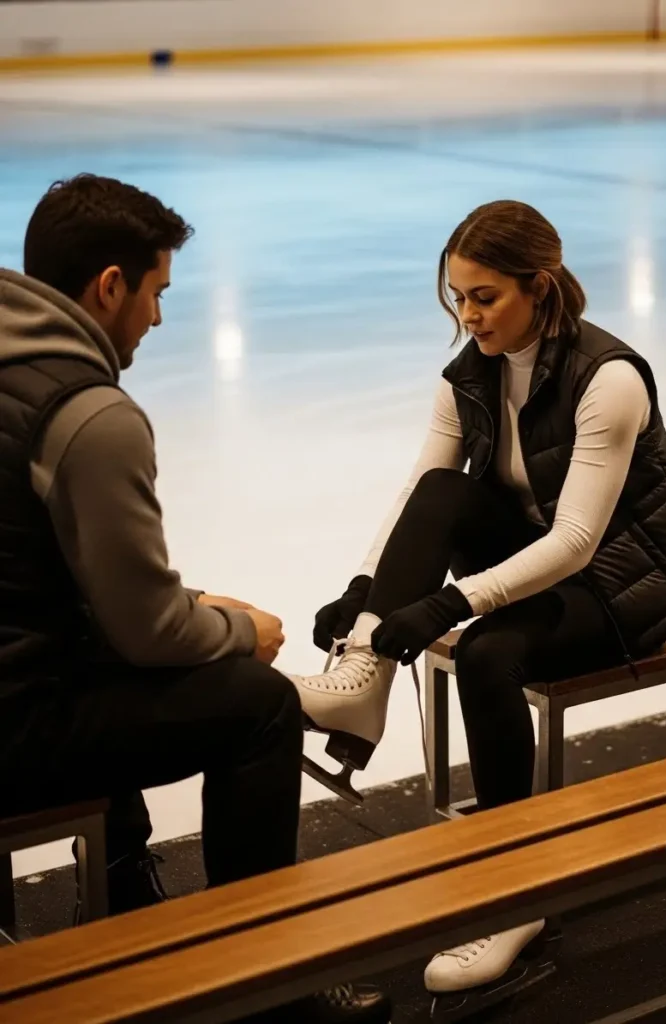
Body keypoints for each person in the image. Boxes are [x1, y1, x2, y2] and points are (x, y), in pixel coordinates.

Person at [291, 199, 666, 1002]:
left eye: (485, 296)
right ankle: (362, 683)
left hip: (626, 580)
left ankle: (513, 899)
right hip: (533, 556)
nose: (468, 314)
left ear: (541, 286)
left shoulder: (609, 378)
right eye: (457, 295)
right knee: (446, 491)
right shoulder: (468, 375)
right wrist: (366, 599)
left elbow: (578, 542)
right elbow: (423, 496)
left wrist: (453, 606)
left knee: (489, 654)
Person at [0, 174, 390, 1024]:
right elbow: (145, 630)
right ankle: (267, 984)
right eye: (155, 293)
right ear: (110, 286)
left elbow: (42, 571)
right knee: (255, 703)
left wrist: (194, 605)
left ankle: (123, 897)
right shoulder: (88, 414)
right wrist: (236, 629)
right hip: (14, 728)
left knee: (110, 668)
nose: (158, 319)